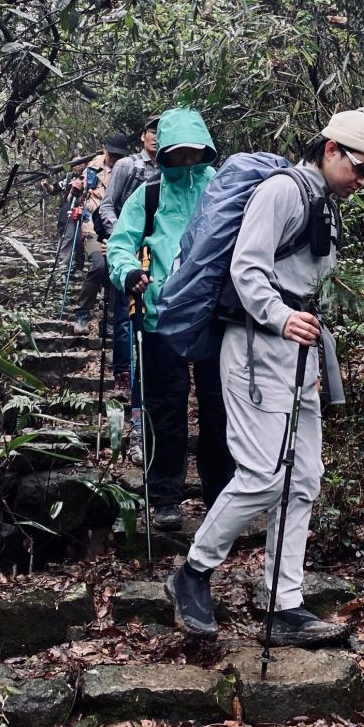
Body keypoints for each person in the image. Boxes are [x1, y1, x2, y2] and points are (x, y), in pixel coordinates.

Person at [167, 108, 364, 644]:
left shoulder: (324, 203)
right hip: (254, 344)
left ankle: (282, 602)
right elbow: (247, 266)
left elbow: (305, 280)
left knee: (304, 478)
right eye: (361, 168)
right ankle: (192, 573)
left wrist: (307, 352)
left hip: (296, 351)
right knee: (264, 474)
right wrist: (281, 316)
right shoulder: (283, 192)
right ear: (331, 149)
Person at [107, 107, 234, 530]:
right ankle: (165, 496)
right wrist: (129, 272)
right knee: (166, 409)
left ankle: (222, 496)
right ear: (163, 152)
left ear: (205, 148)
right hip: (161, 316)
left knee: (220, 409)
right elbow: (121, 244)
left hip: (216, 317)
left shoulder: (222, 188)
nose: (185, 161)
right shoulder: (150, 194)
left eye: (193, 152)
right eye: (177, 152)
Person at [99, 115, 160, 459]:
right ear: (143, 136)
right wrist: (121, 235)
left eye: (162, 133)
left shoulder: (180, 172)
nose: (157, 138)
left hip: (163, 263)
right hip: (132, 260)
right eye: (152, 132)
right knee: (128, 320)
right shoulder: (128, 166)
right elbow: (107, 205)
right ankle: (139, 432)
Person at [72, 134, 130, 336]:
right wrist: (77, 190)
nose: (114, 158)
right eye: (111, 153)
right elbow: (83, 194)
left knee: (115, 268)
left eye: (118, 155)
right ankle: (83, 312)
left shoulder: (128, 169)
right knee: (99, 265)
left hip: (117, 227)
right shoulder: (92, 167)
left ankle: (112, 317)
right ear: (104, 149)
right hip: (92, 227)